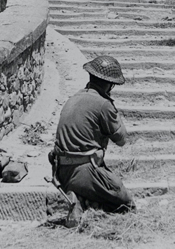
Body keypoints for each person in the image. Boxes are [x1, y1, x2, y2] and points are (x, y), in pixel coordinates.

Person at [50, 55, 135, 228]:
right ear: (109, 84)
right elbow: (122, 140)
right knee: (125, 202)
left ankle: (77, 197)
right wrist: (113, 110)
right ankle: (83, 199)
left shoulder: (74, 98)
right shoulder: (104, 104)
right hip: (84, 170)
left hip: (60, 172)